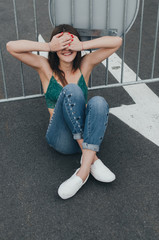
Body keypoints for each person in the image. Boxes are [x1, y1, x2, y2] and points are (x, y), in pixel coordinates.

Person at [6, 24, 122, 199]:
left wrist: (82, 46)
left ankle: (82, 173)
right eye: (62, 45)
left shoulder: (85, 64)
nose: (66, 49)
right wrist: (48, 47)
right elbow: (11, 47)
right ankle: (93, 160)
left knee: (99, 102)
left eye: (70, 44)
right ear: (55, 48)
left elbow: (117, 41)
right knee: (72, 91)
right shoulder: (45, 68)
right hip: (61, 138)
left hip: (84, 135)